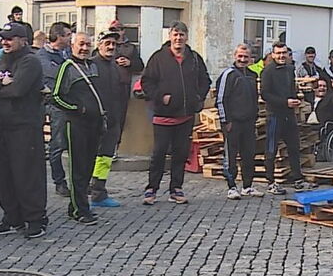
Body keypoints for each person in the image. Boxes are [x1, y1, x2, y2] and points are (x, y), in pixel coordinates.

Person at [0, 23, 48, 239]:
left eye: (10, 38)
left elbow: (18, 90)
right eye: (3, 38)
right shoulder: (4, 59)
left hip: (25, 126)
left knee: (27, 173)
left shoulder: (30, 61)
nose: (5, 42)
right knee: (5, 173)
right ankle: (12, 216)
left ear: (23, 40)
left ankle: (35, 218)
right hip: (4, 123)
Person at [141, 21, 211, 205]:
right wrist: (160, 97)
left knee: (181, 154)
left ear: (186, 37)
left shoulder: (194, 58)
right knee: (159, 153)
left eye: (182, 34)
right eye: (175, 34)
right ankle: (151, 189)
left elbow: (205, 80)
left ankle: (176, 189)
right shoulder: (158, 58)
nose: (178, 38)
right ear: (170, 36)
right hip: (163, 116)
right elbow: (146, 83)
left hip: (186, 115)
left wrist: (198, 97)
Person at [52, 33, 105, 225]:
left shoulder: (93, 66)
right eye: (81, 44)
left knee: (88, 168)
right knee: (78, 168)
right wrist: (77, 109)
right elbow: (56, 96)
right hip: (76, 125)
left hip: (94, 125)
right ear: (72, 46)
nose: (84, 48)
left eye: (88, 44)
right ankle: (81, 210)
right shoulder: (67, 67)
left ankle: (75, 205)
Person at [261, 41, 315, 195]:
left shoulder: (290, 69)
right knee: (271, 149)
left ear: (288, 54)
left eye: (284, 53)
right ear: (273, 54)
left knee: (294, 147)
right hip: (275, 115)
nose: (281, 56)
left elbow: (291, 89)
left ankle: (297, 179)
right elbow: (265, 94)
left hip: (289, 115)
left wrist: (296, 98)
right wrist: (285, 102)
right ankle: (271, 182)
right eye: (278, 53)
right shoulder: (267, 71)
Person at [216, 44, 263, 200]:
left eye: (246, 57)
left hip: (248, 122)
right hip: (233, 122)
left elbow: (255, 99)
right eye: (240, 56)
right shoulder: (228, 75)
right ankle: (231, 187)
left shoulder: (252, 75)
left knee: (248, 155)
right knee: (231, 155)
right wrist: (225, 120)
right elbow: (221, 99)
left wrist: (255, 118)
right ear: (235, 56)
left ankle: (247, 186)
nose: (243, 59)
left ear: (251, 58)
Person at [89, 31, 127, 208]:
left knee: (105, 159)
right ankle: (84, 195)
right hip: (95, 122)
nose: (111, 47)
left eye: (114, 44)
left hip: (113, 121)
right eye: (107, 43)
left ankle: (99, 192)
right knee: (91, 158)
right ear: (99, 45)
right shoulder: (92, 65)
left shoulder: (114, 66)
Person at [36, 22, 72, 197]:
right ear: (58, 37)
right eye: (67, 35)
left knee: (67, 144)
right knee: (56, 145)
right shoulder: (41, 57)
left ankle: (75, 181)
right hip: (50, 104)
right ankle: (59, 182)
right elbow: (60, 74)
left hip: (67, 103)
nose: (70, 38)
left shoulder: (66, 53)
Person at [107, 20, 144, 144]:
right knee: (105, 116)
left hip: (123, 86)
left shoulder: (131, 48)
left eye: (117, 30)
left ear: (123, 31)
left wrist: (130, 63)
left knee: (120, 118)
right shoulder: (105, 45)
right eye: (112, 30)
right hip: (106, 86)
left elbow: (140, 66)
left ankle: (115, 146)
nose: (115, 33)